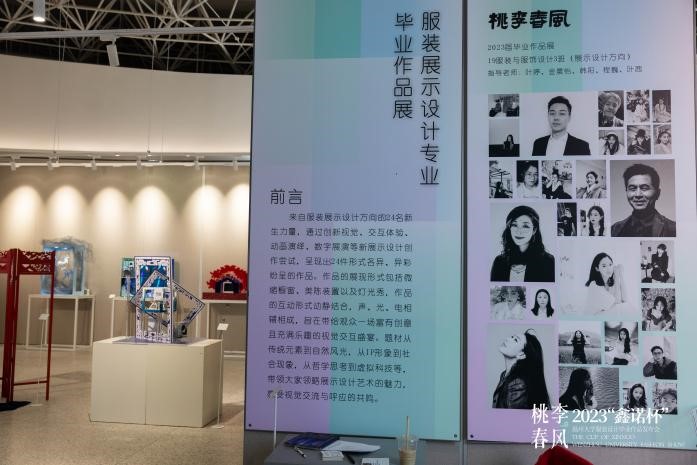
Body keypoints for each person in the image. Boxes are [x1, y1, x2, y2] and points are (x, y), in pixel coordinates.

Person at [491, 205, 555, 282]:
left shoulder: (548, 262)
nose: (519, 231)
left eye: (525, 226)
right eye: (514, 225)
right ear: (509, 228)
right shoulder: (499, 262)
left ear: (534, 230)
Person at [611, 164, 676, 237]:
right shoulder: (615, 229)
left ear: (657, 193)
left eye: (644, 188)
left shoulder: (673, 229)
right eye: (632, 188)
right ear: (626, 191)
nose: (638, 195)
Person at [492, 330, 551, 409]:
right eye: (512, 337)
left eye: (516, 340)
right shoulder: (504, 375)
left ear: (521, 354)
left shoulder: (517, 384)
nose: (507, 339)